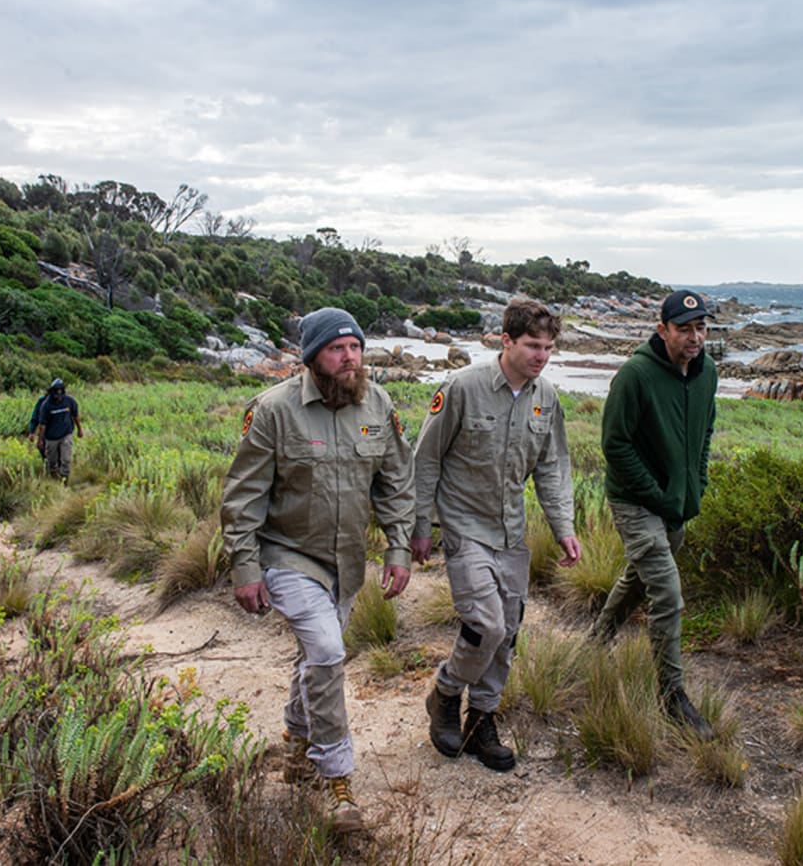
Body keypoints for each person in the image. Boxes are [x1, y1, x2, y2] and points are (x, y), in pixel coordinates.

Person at [220, 307, 415, 834]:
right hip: (287, 555)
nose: (350, 358)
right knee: (328, 651)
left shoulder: (378, 402)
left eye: (356, 347)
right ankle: (337, 780)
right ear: (311, 358)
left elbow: (396, 483)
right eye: (337, 349)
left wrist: (398, 550)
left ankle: (295, 744)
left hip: (347, 561)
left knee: (315, 654)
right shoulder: (273, 410)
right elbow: (244, 496)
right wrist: (245, 568)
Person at [411, 298, 581, 771]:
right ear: (505, 341)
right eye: (532, 345)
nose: (541, 356)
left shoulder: (546, 398)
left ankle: (481, 718)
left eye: (548, 347)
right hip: (465, 526)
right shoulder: (461, 388)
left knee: (507, 633)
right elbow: (426, 460)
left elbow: (552, 468)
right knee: (485, 624)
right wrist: (420, 527)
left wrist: (563, 527)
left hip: (512, 533)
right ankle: (445, 694)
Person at [591, 290, 718, 740]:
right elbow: (615, 445)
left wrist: (695, 484)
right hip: (634, 501)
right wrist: (656, 494)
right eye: (684, 328)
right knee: (666, 590)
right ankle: (672, 696)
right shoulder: (636, 375)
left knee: (639, 579)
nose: (695, 337)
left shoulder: (708, 375)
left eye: (701, 327)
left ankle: (595, 644)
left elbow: (705, 433)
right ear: (662, 329)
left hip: (675, 503)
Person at [36, 377, 83, 484]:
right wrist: (40, 440)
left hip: (66, 433)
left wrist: (80, 429)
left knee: (65, 459)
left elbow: (75, 416)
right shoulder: (46, 405)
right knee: (52, 462)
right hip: (51, 437)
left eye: (61, 395)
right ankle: (55, 481)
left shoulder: (70, 401)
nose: (59, 398)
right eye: (56, 395)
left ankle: (64, 482)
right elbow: (42, 425)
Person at [27, 389, 49, 460]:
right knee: (42, 449)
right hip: (44, 430)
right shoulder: (42, 401)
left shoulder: (62, 400)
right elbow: (35, 416)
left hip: (58, 431)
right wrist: (32, 432)